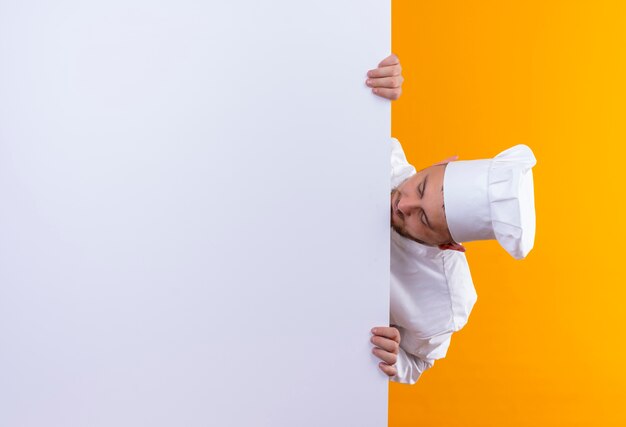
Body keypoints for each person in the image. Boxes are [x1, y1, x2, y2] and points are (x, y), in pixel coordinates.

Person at [366, 55, 537, 384]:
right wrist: (376, 79)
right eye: (422, 184)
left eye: (424, 220)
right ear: (443, 162)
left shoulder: (445, 303)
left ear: (449, 245)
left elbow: (417, 363)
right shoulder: (381, 154)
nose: (405, 205)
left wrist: (397, 358)